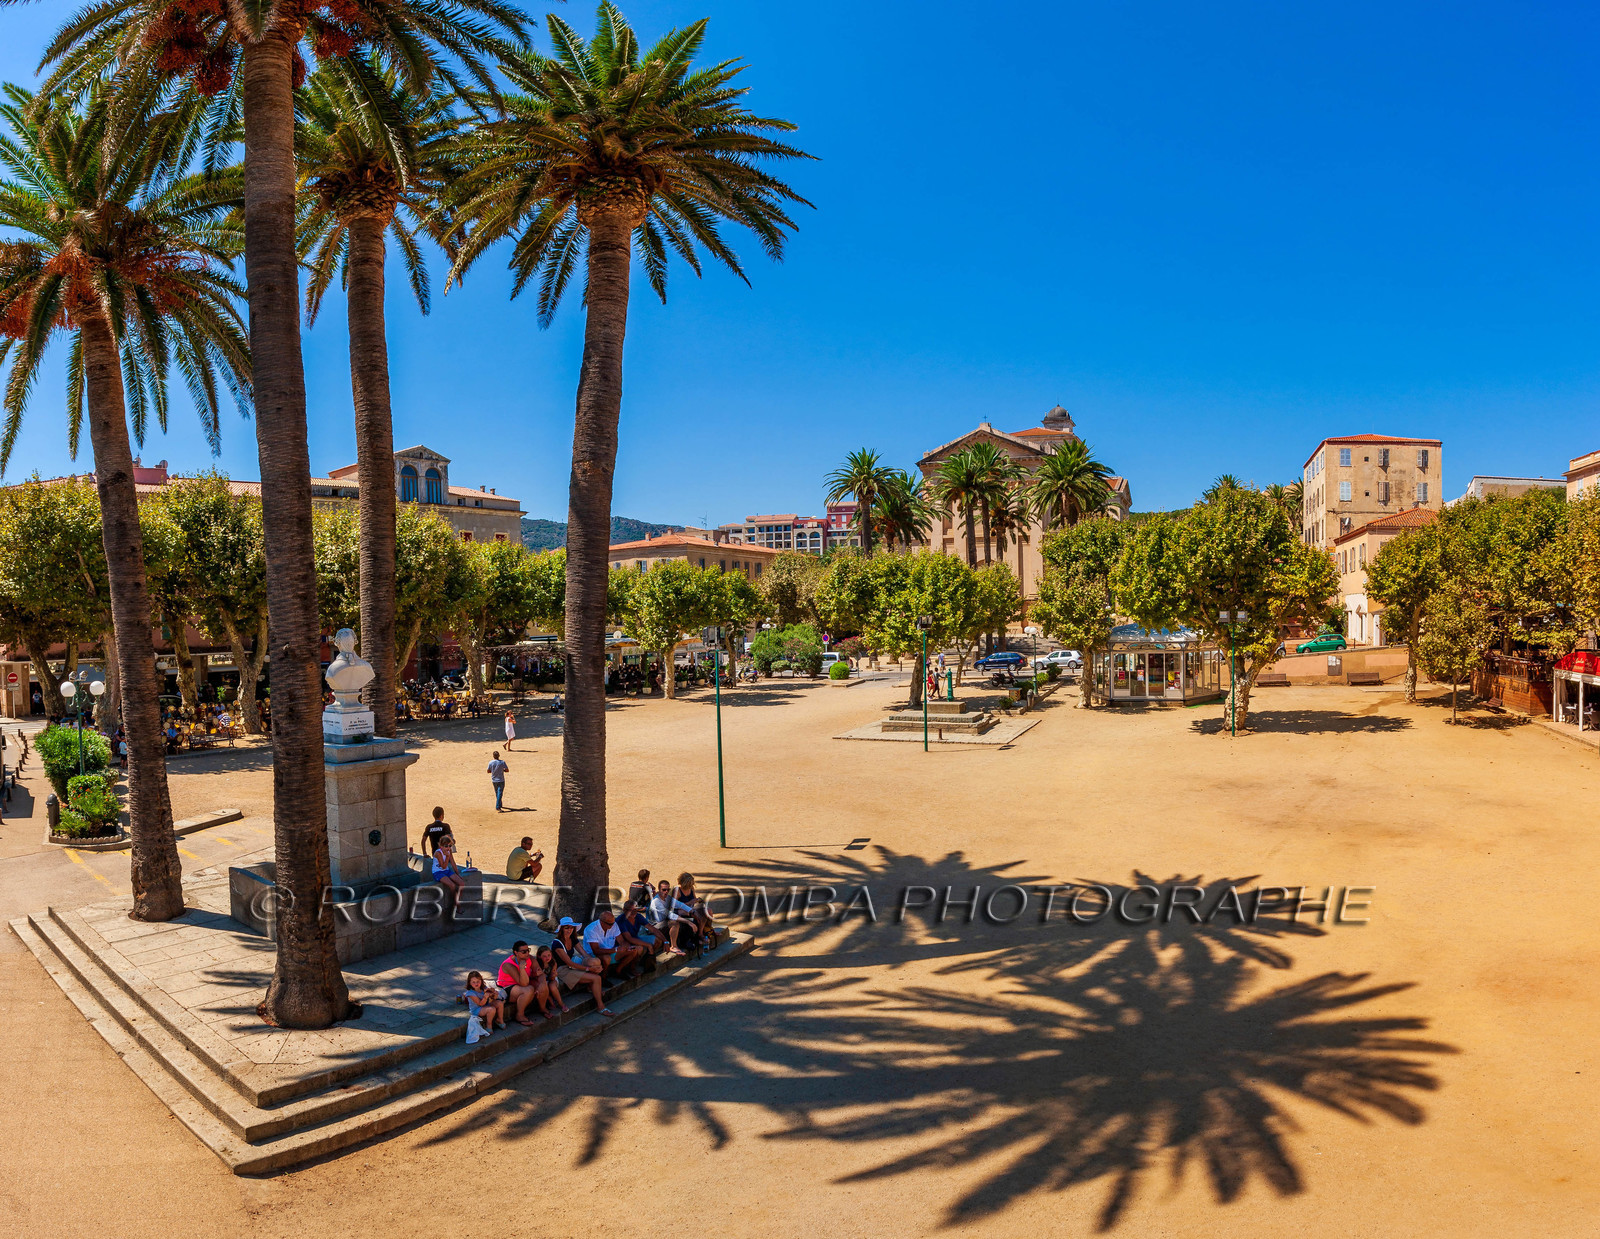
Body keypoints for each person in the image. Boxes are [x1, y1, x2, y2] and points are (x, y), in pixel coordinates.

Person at [550, 918, 613, 1016]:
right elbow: (569, 963)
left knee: (595, 961)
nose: (569, 930)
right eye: (567, 928)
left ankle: (591, 987)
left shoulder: (572, 938)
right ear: (561, 929)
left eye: (571, 928)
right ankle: (600, 1006)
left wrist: (596, 965)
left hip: (573, 963)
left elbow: (584, 953)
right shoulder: (557, 943)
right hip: (563, 969)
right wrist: (589, 969)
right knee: (596, 978)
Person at [583, 908, 642, 978]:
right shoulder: (591, 929)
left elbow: (621, 941)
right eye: (610, 924)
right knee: (607, 958)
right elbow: (596, 951)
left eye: (613, 922)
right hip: (594, 955)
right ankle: (603, 977)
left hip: (611, 951)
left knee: (633, 951)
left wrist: (627, 947)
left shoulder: (613, 924)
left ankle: (618, 971)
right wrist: (615, 950)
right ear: (602, 922)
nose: (613, 925)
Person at [496, 941, 544, 1026]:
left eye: (528, 950)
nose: (527, 953)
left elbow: (538, 971)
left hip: (519, 985)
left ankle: (543, 1008)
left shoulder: (528, 958)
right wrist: (521, 968)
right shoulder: (508, 965)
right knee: (529, 990)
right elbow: (524, 983)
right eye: (524, 952)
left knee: (538, 986)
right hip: (507, 988)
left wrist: (539, 982)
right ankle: (519, 1015)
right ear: (516, 952)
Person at [649, 879, 697, 957]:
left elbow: (680, 904)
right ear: (659, 890)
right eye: (664, 890)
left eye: (668, 890)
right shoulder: (656, 901)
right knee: (674, 922)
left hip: (664, 923)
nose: (666, 892)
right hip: (655, 926)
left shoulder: (668, 898)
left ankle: (691, 940)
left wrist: (692, 911)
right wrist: (688, 922)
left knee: (690, 918)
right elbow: (670, 915)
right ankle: (673, 946)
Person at [674, 872, 719, 945]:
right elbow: (674, 906)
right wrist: (689, 902)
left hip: (692, 908)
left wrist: (697, 900)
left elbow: (694, 899)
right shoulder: (677, 891)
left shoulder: (691, 888)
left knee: (708, 910)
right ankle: (701, 934)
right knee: (700, 914)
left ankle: (708, 930)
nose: (690, 886)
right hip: (683, 911)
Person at [461, 971, 504, 1042]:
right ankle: (488, 1025)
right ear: (469, 983)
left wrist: (494, 994)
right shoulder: (470, 993)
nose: (476, 983)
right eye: (473, 982)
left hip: (486, 1005)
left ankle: (500, 1020)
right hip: (477, 1009)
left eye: (478, 981)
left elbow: (493, 998)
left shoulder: (484, 988)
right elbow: (480, 1004)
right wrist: (485, 997)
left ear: (481, 981)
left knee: (499, 1003)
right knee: (492, 1009)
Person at [617, 900, 660, 965]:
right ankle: (632, 966)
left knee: (657, 940)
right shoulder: (620, 920)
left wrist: (666, 941)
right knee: (639, 949)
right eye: (630, 910)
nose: (633, 912)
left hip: (636, 938)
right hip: (625, 942)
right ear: (624, 910)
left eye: (635, 910)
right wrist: (648, 945)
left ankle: (645, 959)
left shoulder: (638, 916)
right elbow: (629, 939)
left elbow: (652, 929)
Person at [430, 834, 465, 900]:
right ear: (441, 846)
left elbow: (452, 862)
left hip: (446, 870)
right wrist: (447, 857)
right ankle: (454, 902)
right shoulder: (438, 853)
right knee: (452, 885)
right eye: (446, 846)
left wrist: (457, 874)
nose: (448, 848)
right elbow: (443, 866)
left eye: (450, 846)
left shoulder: (449, 851)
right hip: (438, 872)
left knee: (461, 883)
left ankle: (457, 900)